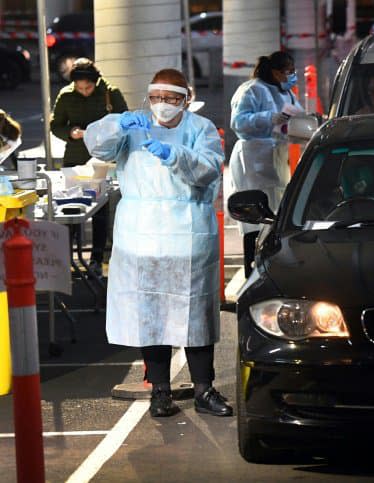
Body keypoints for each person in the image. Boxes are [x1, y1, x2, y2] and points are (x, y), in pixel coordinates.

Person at [84, 68, 232, 418]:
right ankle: (160, 392)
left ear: (186, 99)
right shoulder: (133, 127)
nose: (162, 105)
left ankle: (204, 389)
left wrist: (173, 155)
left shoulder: (201, 129)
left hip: (188, 236)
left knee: (195, 316)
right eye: (156, 98)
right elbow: (96, 145)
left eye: (169, 99)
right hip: (142, 238)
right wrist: (116, 124)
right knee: (151, 318)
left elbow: (209, 168)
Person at [50, 58, 128, 276]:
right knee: (71, 209)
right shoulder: (66, 95)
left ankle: (96, 259)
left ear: (96, 81)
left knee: (100, 211)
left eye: (88, 87)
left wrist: (104, 133)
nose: (84, 91)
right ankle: (66, 260)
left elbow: (124, 121)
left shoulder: (110, 92)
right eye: (79, 87)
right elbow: (55, 125)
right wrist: (70, 132)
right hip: (75, 159)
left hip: (102, 160)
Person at [229, 51, 301, 278]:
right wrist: (269, 117)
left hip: (277, 155)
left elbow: (297, 114)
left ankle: (271, 265)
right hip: (253, 157)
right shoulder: (252, 89)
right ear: (275, 71)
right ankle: (252, 267)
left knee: (277, 211)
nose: (292, 76)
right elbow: (239, 122)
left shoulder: (285, 91)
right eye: (288, 71)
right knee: (254, 214)